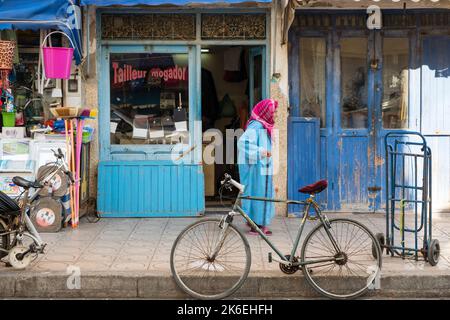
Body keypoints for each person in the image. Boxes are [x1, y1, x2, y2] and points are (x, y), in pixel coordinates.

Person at [237, 99, 278, 236]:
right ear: (266, 112)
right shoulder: (257, 126)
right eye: (274, 112)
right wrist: (261, 152)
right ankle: (257, 226)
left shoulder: (263, 125)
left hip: (261, 167)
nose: (275, 114)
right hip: (256, 169)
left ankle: (255, 223)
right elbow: (243, 143)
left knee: (261, 194)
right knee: (258, 194)